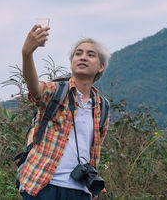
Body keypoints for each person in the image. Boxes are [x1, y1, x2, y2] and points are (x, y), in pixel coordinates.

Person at [19, 23, 110, 200]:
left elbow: (94, 150)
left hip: (80, 190)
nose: (83, 57)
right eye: (78, 53)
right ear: (71, 63)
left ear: (101, 66)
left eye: (90, 55)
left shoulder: (102, 107)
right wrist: (27, 53)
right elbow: (34, 88)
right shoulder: (57, 91)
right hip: (44, 185)